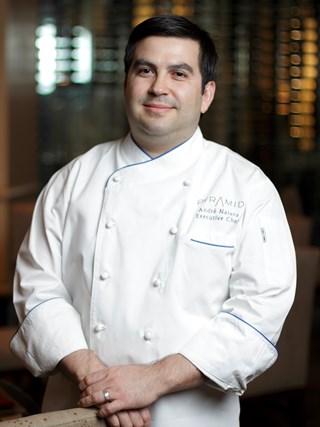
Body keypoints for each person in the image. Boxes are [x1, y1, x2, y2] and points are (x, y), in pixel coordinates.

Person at [10, 15, 296, 427]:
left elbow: (258, 315)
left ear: (206, 94)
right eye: (145, 70)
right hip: (77, 409)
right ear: (126, 82)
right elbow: (37, 288)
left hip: (190, 417)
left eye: (179, 73)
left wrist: (152, 380)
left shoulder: (246, 186)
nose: (159, 86)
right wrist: (98, 380)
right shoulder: (73, 179)